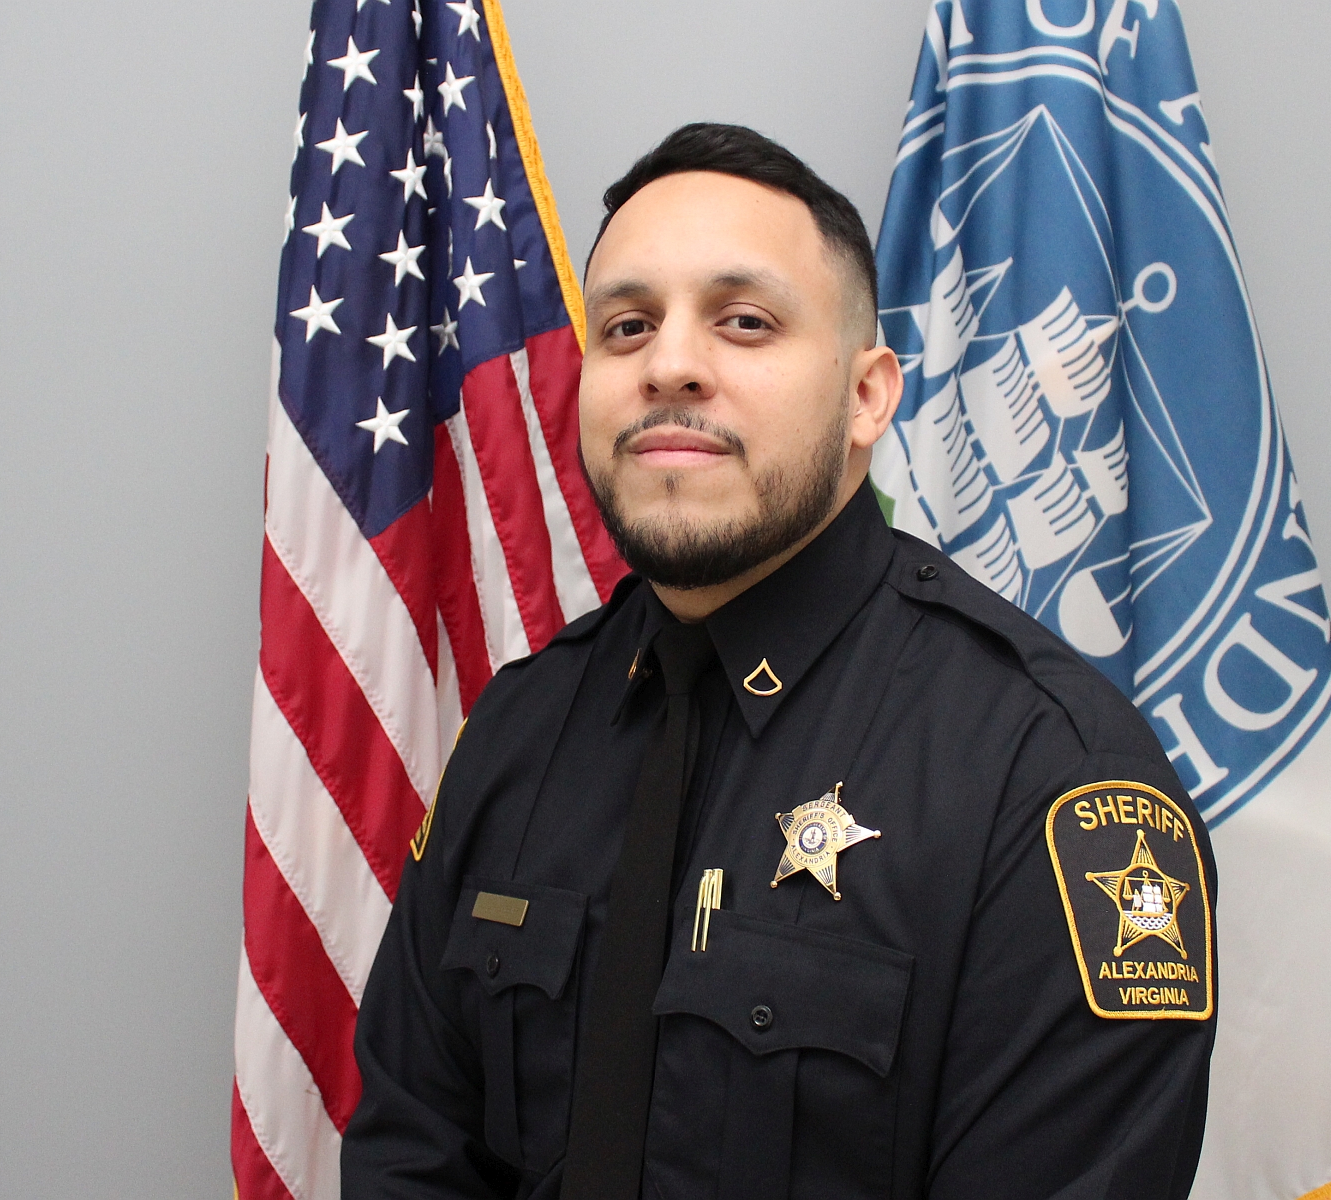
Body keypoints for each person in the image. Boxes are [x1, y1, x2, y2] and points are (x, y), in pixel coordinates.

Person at [341, 123, 1217, 1200]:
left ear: (867, 397)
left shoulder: (1044, 778)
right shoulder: (518, 729)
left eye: (744, 321)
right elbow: (409, 1150)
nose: (669, 365)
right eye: (626, 327)